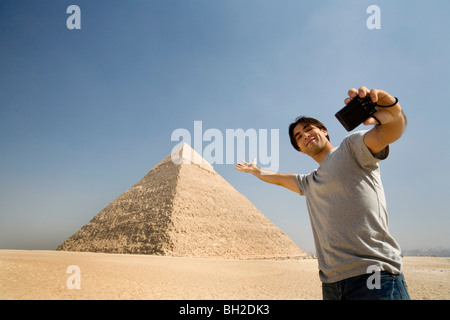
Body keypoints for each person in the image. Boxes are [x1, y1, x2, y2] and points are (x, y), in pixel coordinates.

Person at [235, 86, 410, 300]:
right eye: (299, 136)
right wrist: (256, 171)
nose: (305, 135)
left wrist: (393, 112)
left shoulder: (351, 147)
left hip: (373, 275)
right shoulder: (309, 182)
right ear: (299, 148)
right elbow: (279, 179)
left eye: (309, 129)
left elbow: (388, 133)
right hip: (331, 284)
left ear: (323, 130)